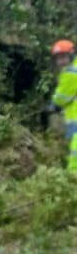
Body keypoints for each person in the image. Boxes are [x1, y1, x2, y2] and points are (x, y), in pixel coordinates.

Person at [47, 39, 77, 175]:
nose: (61, 62)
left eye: (63, 57)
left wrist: (53, 106)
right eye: (58, 58)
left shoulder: (71, 72)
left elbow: (62, 97)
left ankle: (72, 177)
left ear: (72, 54)